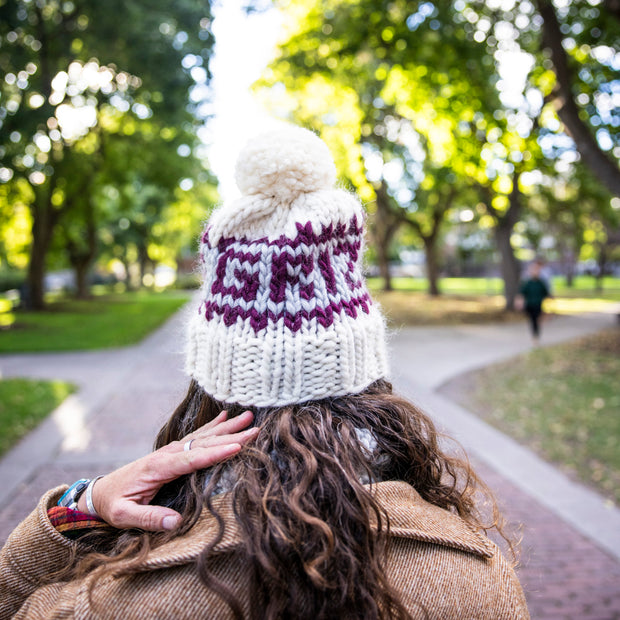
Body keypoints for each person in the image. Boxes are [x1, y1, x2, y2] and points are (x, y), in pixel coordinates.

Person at [0, 127, 529, 619]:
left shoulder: (97, 604)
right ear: (367, 370)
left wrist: (83, 505)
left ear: (210, 380)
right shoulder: (481, 578)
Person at [517, 259, 551, 342]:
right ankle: (535, 335)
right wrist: (519, 303)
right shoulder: (528, 283)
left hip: (538, 304)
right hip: (530, 305)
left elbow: (546, 294)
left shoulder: (541, 283)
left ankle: (536, 335)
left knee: (537, 319)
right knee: (533, 320)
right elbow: (522, 294)